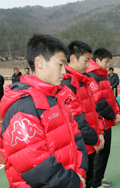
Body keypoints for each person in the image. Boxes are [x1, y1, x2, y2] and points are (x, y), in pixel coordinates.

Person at [0, 34, 88, 188]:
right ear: (39, 62)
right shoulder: (22, 107)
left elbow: (76, 137)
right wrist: (74, 181)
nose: (64, 72)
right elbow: (36, 165)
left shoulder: (57, 97)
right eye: (60, 65)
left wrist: (80, 171)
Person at [62, 41, 105, 188]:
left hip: (91, 142)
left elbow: (94, 109)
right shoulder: (68, 84)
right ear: (73, 59)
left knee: (90, 180)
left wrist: (99, 133)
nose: (88, 64)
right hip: (82, 146)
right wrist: (96, 139)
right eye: (86, 60)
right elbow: (77, 119)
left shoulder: (84, 80)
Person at [86, 47, 120, 188]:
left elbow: (111, 98)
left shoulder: (103, 76)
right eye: (106, 61)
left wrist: (117, 112)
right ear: (98, 60)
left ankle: (99, 178)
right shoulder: (92, 77)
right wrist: (114, 116)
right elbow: (99, 102)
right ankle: (95, 183)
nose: (108, 65)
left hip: (108, 122)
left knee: (105, 153)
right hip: (100, 122)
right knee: (98, 155)